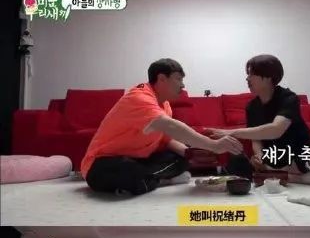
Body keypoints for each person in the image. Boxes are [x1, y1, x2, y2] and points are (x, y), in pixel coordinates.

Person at [81, 58, 243, 196]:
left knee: (181, 160)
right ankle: (159, 180)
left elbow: (165, 139)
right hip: (101, 164)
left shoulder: (165, 105)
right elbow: (169, 126)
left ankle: (147, 180)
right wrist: (213, 145)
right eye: (178, 79)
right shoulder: (139, 97)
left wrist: (190, 153)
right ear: (162, 79)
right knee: (131, 172)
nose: (183, 85)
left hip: (138, 160)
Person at [208, 54, 310, 185]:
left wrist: (232, 132)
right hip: (275, 154)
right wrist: (259, 155)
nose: (247, 78)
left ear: (268, 77)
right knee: (238, 162)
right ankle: (293, 176)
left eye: (251, 74)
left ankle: (290, 174)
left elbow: (276, 129)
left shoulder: (288, 98)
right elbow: (255, 138)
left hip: (298, 149)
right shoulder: (252, 107)